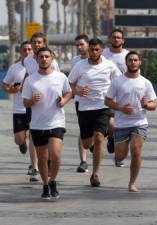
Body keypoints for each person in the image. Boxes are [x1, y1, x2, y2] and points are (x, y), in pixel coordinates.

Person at [68, 38, 122, 187]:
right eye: (91, 49)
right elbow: (69, 83)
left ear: (102, 50)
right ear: (88, 50)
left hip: (102, 106)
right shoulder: (80, 66)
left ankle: (95, 174)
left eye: (97, 49)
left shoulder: (110, 66)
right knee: (86, 143)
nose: (94, 52)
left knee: (99, 138)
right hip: (85, 108)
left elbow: (119, 82)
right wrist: (77, 90)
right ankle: (92, 146)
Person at [21, 47, 72, 200]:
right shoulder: (30, 79)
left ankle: (53, 180)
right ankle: (45, 184)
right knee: (42, 158)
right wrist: (32, 100)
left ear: (52, 59)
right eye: (41, 57)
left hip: (56, 121)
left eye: (47, 57)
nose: (44, 59)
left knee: (55, 155)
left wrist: (63, 101)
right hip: (37, 124)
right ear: (36, 59)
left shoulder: (61, 76)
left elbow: (68, 92)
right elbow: (25, 102)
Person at [105, 51, 157, 192]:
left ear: (140, 62)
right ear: (126, 62)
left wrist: (147, 105)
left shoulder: (146, 83)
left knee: (136, 151)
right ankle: (113, 141)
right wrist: (121, 108)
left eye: (135, 60)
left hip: (139, 122)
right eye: (130, 60)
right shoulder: (118, 81)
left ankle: (132, 183)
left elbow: (154, 105)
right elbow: (107, 101)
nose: (133, 62)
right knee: (120, 156)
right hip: (121, 123)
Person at [2, 41, 39, 182]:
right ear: (21, 52)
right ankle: (22, 144)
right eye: (25, 49)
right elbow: (4, 86)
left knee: (34, 139)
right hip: (19, 109)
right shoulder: (15, 68)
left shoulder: (38, 66)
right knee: (19, 139)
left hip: (34, 108)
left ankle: (33, 166)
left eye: (30, 49)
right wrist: (12, 90)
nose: (28, 51)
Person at [102, 28, 129, 165]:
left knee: (122, 129)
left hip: (123, 96)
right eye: (114, 37)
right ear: (109, 39)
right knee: (112, 124)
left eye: (119, 37)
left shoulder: (128, 55)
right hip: (107, 96)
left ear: (122, 40)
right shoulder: (103, 54)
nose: (116, 39)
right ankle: (111, 138)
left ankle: (119, 159)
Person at [71, 34, 91, 173]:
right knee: (83, 130)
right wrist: (77, 91)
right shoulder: (75, 61)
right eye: (77, 45)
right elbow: (71, 82)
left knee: (97, 132)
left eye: (81, 44)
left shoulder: (100, 60)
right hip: (80, 101)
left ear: (88, 44)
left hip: (99, 103)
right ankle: (83, 161)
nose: (79, 47)